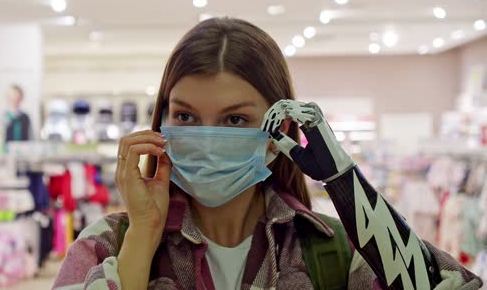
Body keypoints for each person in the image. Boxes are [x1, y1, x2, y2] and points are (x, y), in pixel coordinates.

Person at [53, 18, 482, 289]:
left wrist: (343, 181)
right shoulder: (107, 244)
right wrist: (143, 236)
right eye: (185, 117)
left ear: (279, 135)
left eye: (235, 120)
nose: (206, 137)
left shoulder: (333, 250)